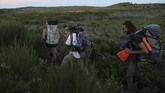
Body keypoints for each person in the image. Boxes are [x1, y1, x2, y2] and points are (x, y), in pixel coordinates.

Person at [121, 21, 149, 93]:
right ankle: (131, 90)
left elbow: (145, 51)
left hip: (142, 60)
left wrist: (131, 52)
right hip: (135, 58)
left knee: (143, 78)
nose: (123, 31)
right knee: (129, 76)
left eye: (124, 29)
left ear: (129, 28)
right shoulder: (132, 36)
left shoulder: (136, 37)